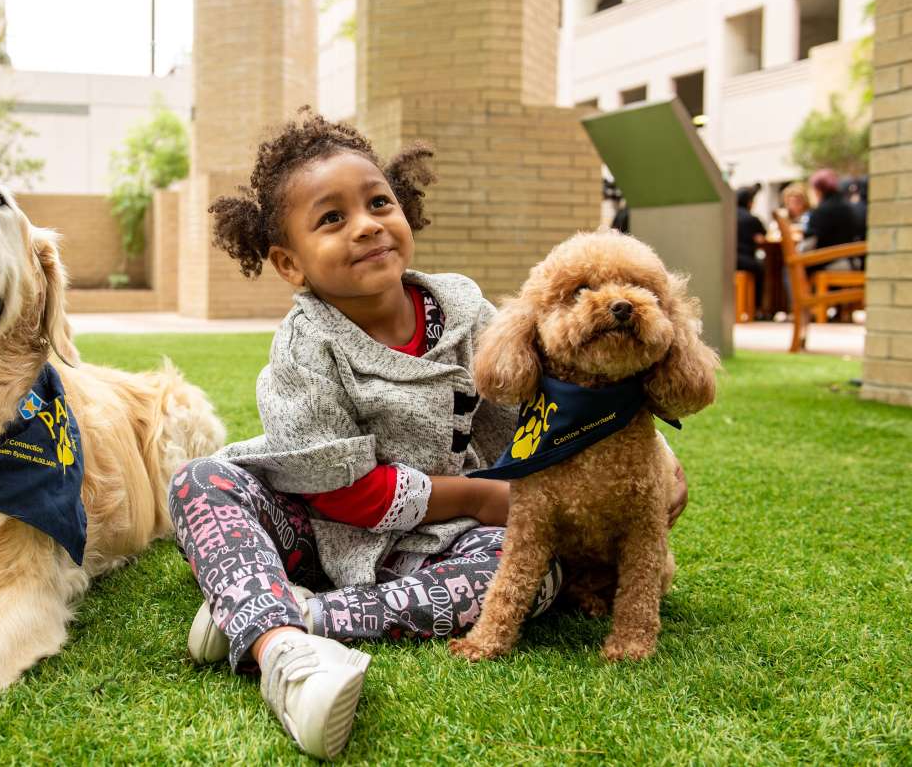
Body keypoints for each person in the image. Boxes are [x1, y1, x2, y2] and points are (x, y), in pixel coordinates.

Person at [168, 110, 688, 759]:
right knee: (201, 481)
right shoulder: (306, 346)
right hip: (318, 528)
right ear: (289, 263)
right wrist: (480, 496)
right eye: (331, 219)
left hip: (442, 544)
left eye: (378, 203)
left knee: (531, 572)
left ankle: (275, 613)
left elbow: (560, 393)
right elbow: (344, 493)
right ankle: (283, 650)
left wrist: (659, 460)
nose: (366, 225)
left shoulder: (464, 308)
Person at [803, 169, 864, 275]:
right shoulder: (849, 206)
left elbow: (809, 244)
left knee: (791, 266)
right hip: (853, 261)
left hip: (832, 263)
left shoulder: (822, 210)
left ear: (817, 190)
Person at [735, 185, 767, 317]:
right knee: (760, 269)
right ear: (749, 202)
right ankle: (756, 308)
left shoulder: (727, 214)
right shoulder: (751, 219)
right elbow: (763, 237)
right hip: (744, 260)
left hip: (728, 260)